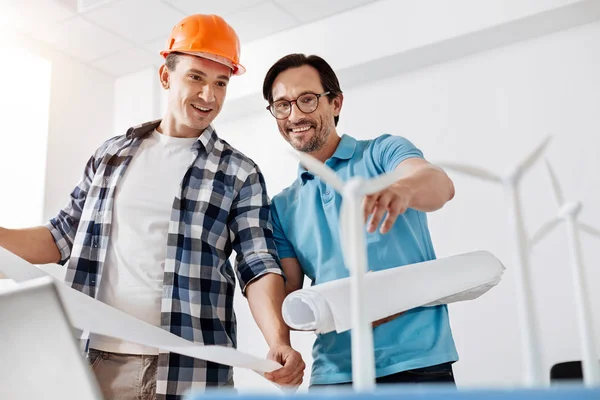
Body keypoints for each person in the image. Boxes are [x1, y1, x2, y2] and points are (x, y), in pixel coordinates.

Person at [0, 15, 304, 399]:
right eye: (196, 77)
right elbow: (60, 237)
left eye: (221, 83)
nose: (209, 95)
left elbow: (257, 264)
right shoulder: (111, 155)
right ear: (166, 75)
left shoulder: (238, 172)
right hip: (96, 362)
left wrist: (278, 339)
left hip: (191, 368)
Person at [261, 53, 459, 387]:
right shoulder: (282, 206)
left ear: (335, 103)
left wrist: (403, 190)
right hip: (335, 374)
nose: (294, 115)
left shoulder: (383, 153)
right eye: (282, 105)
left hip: (418, 363)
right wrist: (281, 340)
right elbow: (292, 295)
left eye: (307, 100)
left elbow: (440, 186)